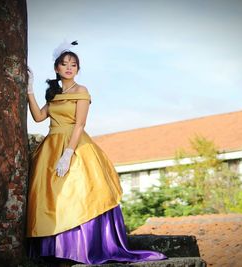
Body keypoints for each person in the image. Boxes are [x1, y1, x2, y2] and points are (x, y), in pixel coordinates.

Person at [26, 40, 166, 265]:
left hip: (75, 145)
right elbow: (39, 117)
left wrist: (68, 154)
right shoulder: (52, 93)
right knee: (52, 198)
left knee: (80, 194)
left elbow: (79, 124)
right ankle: (54, 249)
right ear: (56, 68)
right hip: (51, 146)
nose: (69, 67)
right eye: (64, 64)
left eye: (73, 64)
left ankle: (81, 249)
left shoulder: (82, 91)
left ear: (77, 69)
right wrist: (30, 90)